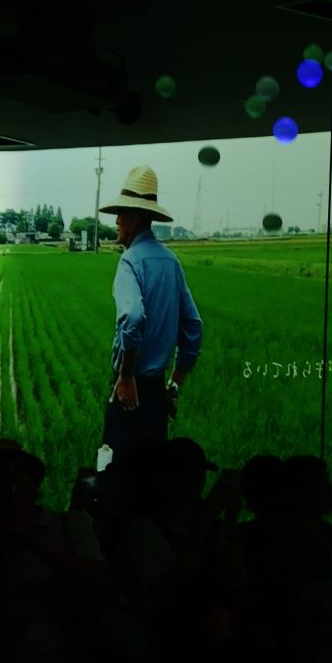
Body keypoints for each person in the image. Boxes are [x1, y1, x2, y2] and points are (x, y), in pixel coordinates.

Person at [99, 166, 201, 467]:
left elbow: (132, 317)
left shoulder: (129, 261)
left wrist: (126, 376)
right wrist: (175, 384)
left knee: (116, 476)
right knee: (154, 478)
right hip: (157, 394)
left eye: (121, 214)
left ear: (135, 218)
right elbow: (193, 326)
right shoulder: (171, 261)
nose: (116, 221)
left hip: (130, 391)